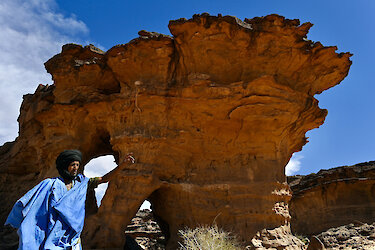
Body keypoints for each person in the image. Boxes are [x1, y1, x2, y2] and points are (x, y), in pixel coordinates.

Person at [5, 149, 135, 249]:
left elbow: (104, 179)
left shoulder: (83, 183)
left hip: (72, 234)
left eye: (78, 165)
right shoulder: (50, 184)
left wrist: (122, 166)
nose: (76, 168)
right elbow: (34, 204)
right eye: (73, 165)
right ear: (65, 165)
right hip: (51, 231)